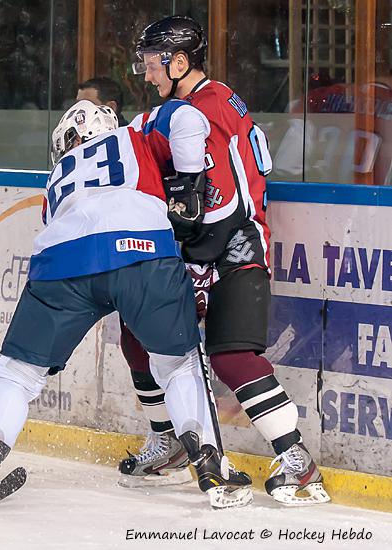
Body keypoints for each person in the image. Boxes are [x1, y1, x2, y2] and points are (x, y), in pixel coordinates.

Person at [0, 99, 252, 517]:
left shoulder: (58, 176)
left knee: (17, 373)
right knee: (178, 365)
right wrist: (190, 186)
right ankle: (211, 469)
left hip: (64, 261)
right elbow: (189, 118)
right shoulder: (135, 133)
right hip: (142, 252)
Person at [124, 15, 329, 506]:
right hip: (206, 247)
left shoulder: (205, 107)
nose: (148, 75)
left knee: (232, 356)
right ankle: (170, 442)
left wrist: (197, 259)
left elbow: (221, 203)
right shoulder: (198, 101)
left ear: (179, 62)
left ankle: (297, 461)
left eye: (153, 65)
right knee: (137, 335)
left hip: (234, 248)